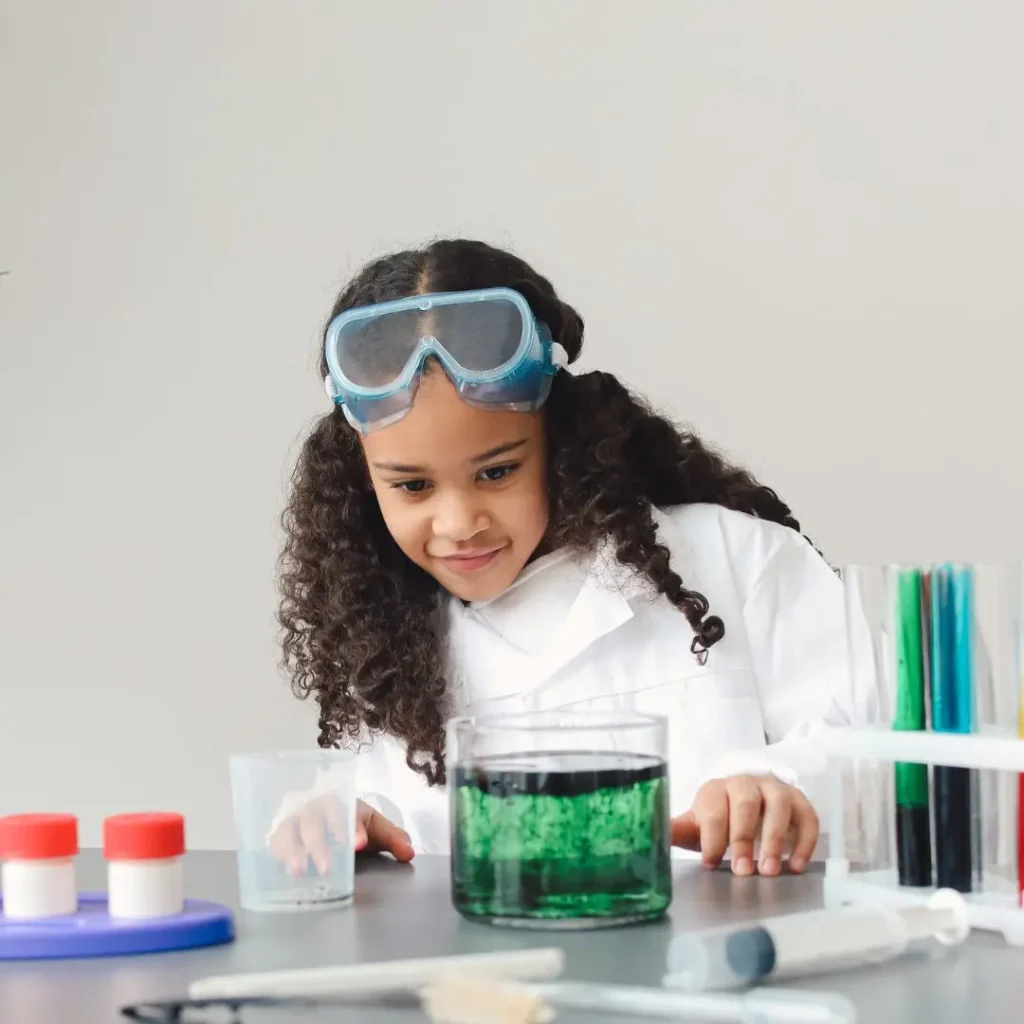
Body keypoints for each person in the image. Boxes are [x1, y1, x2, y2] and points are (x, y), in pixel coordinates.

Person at [272, 239, 877, 880]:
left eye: (497, 471)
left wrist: (777, 782)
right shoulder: (385, 650)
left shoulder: (735, 559)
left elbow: (888, 741)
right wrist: (339, 819)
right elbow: (392, 832)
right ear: (365, 479)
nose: (458, 523)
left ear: (555, 437)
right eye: (413, 486)